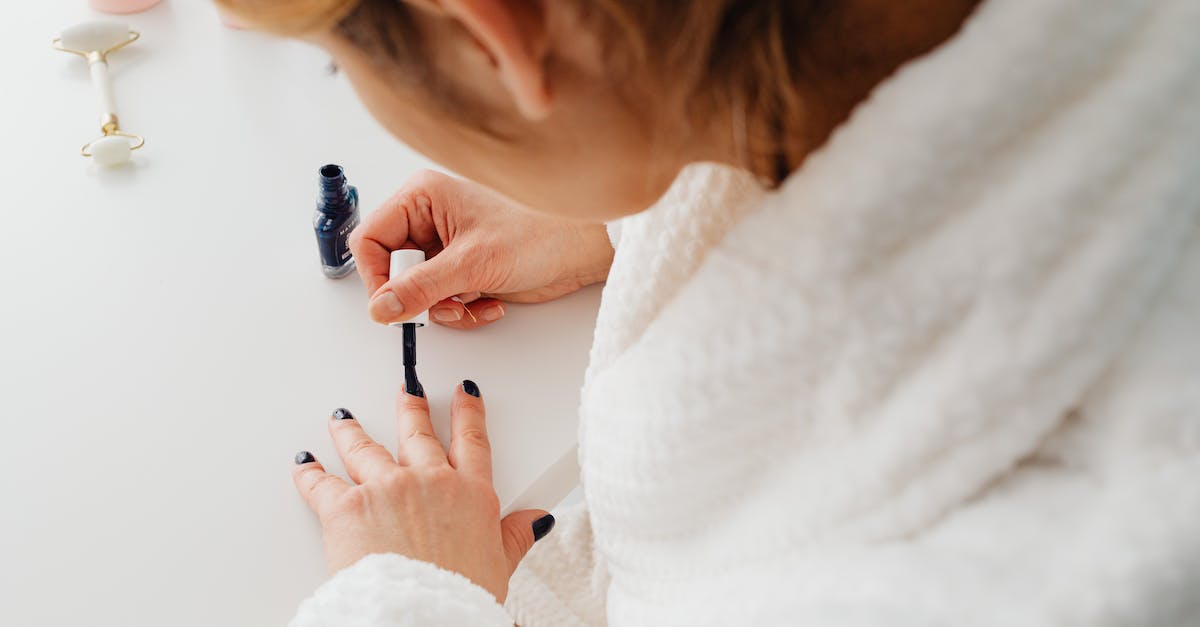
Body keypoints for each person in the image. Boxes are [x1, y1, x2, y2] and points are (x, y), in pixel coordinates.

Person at [217, 0, 1200, 624]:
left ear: (493, 33)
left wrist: (417, 599)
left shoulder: (1069, 554)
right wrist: (637, 185)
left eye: (347, 65)